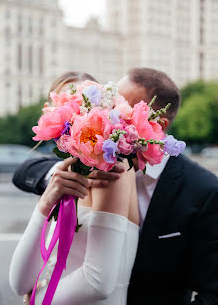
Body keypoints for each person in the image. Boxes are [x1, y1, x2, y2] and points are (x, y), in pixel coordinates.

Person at [12, 68, 218, 305]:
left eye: (124, 109)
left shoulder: (203, 190)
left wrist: (41, 300)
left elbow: (212, 293)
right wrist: (62, 180)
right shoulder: (91, 158)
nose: (108, 111)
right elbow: (26, 170)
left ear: (156, 124)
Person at [9, 71, 140, 304]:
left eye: (82, 102)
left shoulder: (113, 168)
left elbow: (98, 282)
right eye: (66, 104)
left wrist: (39, 300)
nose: (78, 112)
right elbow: (19, 284)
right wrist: (45, 203)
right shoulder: (61, 176)